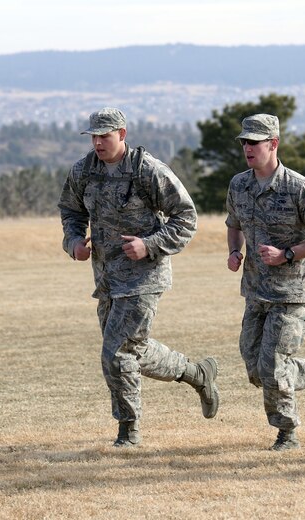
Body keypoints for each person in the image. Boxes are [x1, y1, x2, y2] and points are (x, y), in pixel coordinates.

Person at [58, 107, 219, 448]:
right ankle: (196, 373)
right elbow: (70, 210)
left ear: (122, 134)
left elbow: (186, 218)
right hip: (106, 278)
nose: (98, 142)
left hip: (144, 277)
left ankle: (128, 431)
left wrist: (150, 245)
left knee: (115, 352)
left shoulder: (148, 170)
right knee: (132, 351)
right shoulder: (84, 171)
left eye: (105, 136)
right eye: (94, 136)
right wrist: (73, 242)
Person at [225, 113, 305, 451]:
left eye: (254, 142)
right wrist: (234, 251)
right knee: (254, 366)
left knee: (273, 366)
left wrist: (288, 254)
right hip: (256, 291)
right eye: (244, 142)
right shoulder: (239, 185)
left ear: (273, 144)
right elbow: (234, 222)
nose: (248, 148)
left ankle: (286, 433)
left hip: (290, 292)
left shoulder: (302, 189)